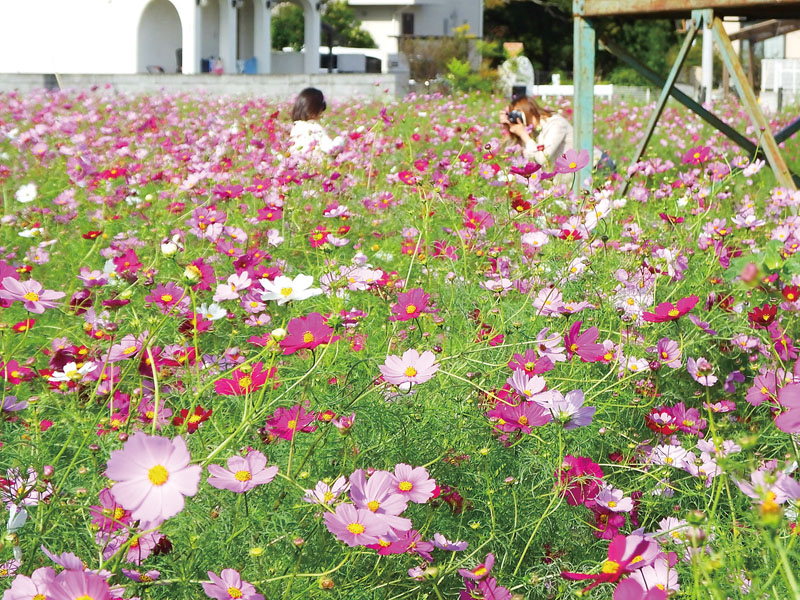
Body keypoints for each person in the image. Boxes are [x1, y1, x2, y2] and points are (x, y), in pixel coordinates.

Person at [499, 95, 614, 175]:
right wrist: (509, 128)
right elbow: (513, 154)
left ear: (526, 112)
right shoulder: (532, 133)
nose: (514, 119)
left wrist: (524, 135)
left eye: (515, 114)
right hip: (580, 173)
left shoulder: (555, 124)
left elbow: (543, 158)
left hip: (597, 166)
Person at [288, 87, 343, 161]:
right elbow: (331, 149)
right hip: (317, 168)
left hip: (299, 168)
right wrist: (340, 140)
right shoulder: (314, 128)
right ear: (314, 108)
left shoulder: (296, 128)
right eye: (322, 107)